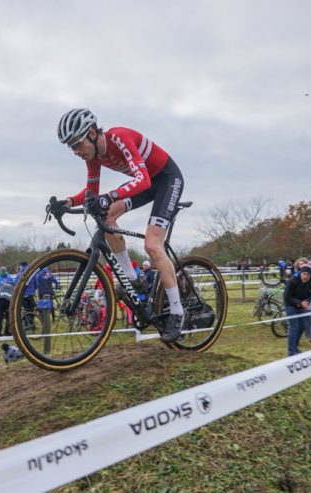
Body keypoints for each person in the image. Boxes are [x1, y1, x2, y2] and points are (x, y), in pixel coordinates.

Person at [51, 108, 186, 342]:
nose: (75, 152)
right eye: (70, 147)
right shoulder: (93, 157)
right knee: (106, 216)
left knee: (153, 246)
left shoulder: (119, 137)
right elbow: (92, 193)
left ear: (92, 133)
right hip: (148, 183)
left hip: (166, 179)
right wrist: (69, 201)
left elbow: (142, 179)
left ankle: (177, 312)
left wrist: (110, 196)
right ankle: (132, 279)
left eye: (76, 144)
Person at [283, 266, 311, 356]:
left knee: (302, 326)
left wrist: (307, 302)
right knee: (294, 327)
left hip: (302, 304)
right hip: (290, 304)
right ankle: (291, 352)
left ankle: (295, 347)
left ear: (310, 275)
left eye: (308, 275)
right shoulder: (293, 281)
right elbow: (286, 296)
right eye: (304, 274)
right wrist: (300, 303)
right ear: (300, 274)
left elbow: (310, 294)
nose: (305, 277)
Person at [0, 266, 15, 336]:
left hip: (0, 299)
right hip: (9, 299)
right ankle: (7, 331)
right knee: (9, 316)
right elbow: (14, 288)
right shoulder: (10, 278)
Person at [15, 262, 36, 330]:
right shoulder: (32, 273)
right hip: (31, 295)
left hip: (23, 295)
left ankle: (26, 323)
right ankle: (32, 323)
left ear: (21, 266)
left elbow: (16, 284)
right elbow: (36, 283)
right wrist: (32, 290)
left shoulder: (19, 275)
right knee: (31, 310)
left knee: (24, 310)